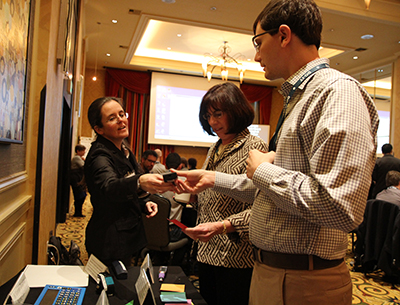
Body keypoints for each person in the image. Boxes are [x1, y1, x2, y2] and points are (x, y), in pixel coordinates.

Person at [175, 1, 379, 304]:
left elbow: (340, 207)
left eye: (259, 43)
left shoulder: (337, 92)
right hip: (273, 271)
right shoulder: (300, 97)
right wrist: (211, 178)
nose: (256, 55)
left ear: (284, 35)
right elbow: (270, 193)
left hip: (302, 280)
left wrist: (264, 170)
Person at [182, 82, 268, 305]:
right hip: (206, 248)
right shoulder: (215, 147)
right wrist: (192, 194)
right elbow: (211, 192)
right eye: (208, 116)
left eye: (218, 114)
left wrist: (225, 225)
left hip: (235, 254)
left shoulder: (255, 147)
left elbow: (262, 206)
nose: (212, 122)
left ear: (236, 110)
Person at [84, 97, 175, 266]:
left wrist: (143, 204)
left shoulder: (123, 148)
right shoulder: (100, 155)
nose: (121, 120)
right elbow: (109, 187)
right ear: (99, 129)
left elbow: (123, 192)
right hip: (109, 240)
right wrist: (139, 182)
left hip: (126, 236)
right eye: (112, 118)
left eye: (121, 114)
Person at [70, 144, 87, 217]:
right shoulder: (76, 158)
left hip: (78, 178)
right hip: (76, 179)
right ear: (78, 151)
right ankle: (77, 212)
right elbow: (83, 166)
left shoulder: (80, 158)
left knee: (82, 195)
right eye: (83, 150)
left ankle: (78, 212)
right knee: (79, 196)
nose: (84, 152)